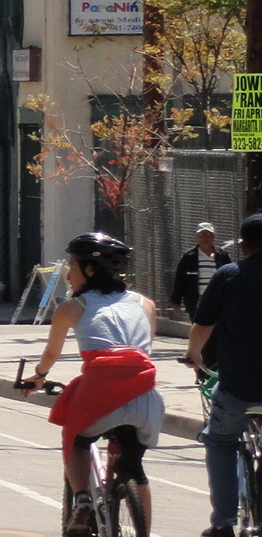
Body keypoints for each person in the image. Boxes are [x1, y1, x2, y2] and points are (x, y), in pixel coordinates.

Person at [20, 233, 161, 537]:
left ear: (91, 270)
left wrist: (39, 375)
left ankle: (82, 497)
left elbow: (50, 354)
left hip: (101, 393)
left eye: (72, 265)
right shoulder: (146, 304)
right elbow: (144, 346)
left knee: (78, 440)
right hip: (145, 396)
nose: (68, 274)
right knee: (135, 468)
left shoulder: (72, 308)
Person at [187, 213, 262, 537]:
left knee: (219, 441)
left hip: (238, 385)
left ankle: (223, 523)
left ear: (243, 246)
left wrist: (194, 355)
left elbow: (203, 325)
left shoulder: (229, 275)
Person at [170, 221, 231, 320]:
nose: (205, 238)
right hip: (196, 302)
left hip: (218, 301)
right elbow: (180, 280)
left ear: (213, 236)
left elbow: (229, 276)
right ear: (197, 237)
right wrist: (176, 301)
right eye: (201, 235)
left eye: (208, 235)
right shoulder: (189, 257)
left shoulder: (222, 255)